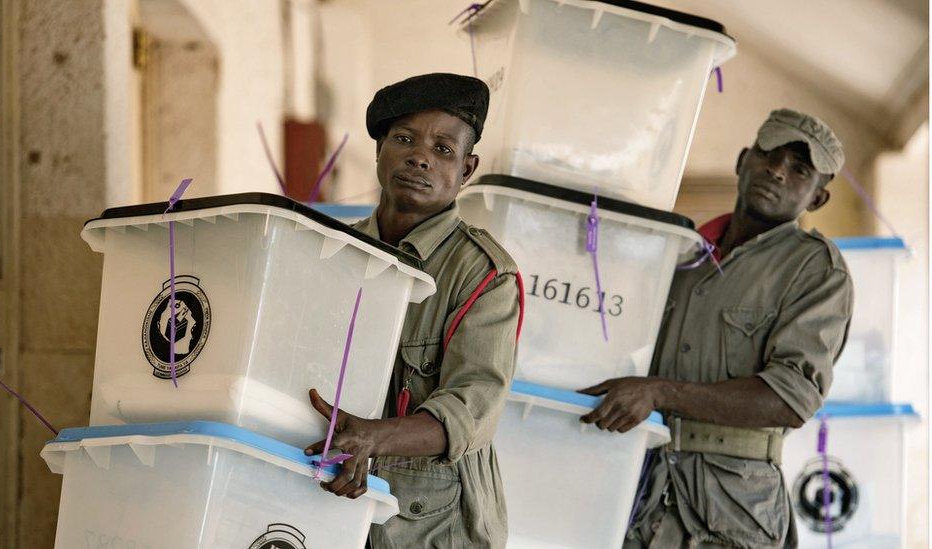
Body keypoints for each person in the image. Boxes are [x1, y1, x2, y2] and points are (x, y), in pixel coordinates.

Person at [579, 108, 854, 548]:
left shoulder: (816, 269)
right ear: (743, 160)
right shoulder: (682, 253)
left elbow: (790, 398)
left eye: (800, 170)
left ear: (817, 199)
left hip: (733, 508)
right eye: (769, 155)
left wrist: (660, 392)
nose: (777, 172)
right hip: (639, 491)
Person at [303, 73, 524, 548]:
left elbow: (472, 408)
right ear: (381, 149)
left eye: (443, 150)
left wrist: (374, 439)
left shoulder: (485, 274)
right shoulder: (332, 254)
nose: (419, 156)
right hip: (328, 499)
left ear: (467, 170)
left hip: (435, 522)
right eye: (404, 139)